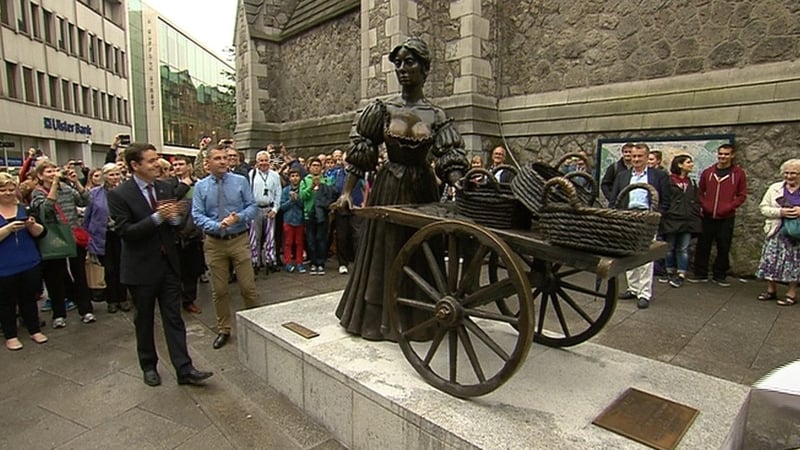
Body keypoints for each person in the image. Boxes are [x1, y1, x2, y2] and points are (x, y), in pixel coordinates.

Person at [335, 37, 468, 340]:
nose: (403, 69)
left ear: (425, 69)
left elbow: (449, 155)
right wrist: (346, 192)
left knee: (420, 252)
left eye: (410, 62)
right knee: (385, 251)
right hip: (389, 187)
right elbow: (363, 150)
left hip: (422, 190)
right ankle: (379, 321)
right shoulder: (383, 109)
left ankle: (418, 317)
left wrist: (457, 180)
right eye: (399, 63)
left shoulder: (436, 114)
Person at [107, 143, 213, 386]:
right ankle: (148, 366)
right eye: (151, 160)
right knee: (144, 320)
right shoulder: (119, 194)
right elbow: (126, 232)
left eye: (157, 159)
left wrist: (175, 216)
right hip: (141, 268)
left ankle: (184, 369)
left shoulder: (164, 187)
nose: (158, 164)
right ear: (135, 165)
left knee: (174, 318)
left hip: (168, 265)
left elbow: (173, 224)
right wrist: (158, 217)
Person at [192, 144, 260, 350]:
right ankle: (224, 329)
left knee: (248, 287)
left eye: (225, 157)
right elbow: (197, 214)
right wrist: (216, 225)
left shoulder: (240, 181)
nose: (223, 161)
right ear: (208, 163)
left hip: (238, 239)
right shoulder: (201, 187)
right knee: (220, 290)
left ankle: (257, 326)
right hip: (214, 243)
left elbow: (253, 207)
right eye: (218, 158)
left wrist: (238, 217)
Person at [30, 160, 94, 327]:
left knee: (80, 274)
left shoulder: (66, 188)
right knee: (55, 278)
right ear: (40, 176)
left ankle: (86, 310)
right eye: (49, 171)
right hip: (54, 238)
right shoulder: (37, 192)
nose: (53, 174)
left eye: (55, 170)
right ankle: (59, 314)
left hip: (73, 236)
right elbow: (46, 210)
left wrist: (76, 182)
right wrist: (54, 185)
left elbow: (86, 201)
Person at [610, 143, 670, 309]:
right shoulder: (622, 176)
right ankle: (633, 288)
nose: (636, 159)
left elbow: (666, 200)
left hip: (647, 217)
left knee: (645, 256)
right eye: (633, 156)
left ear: (646, 157)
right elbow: (614, 198)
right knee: (629, 253)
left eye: (639, 156)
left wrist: (656, 215)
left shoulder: (658, 176)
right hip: (627, 216)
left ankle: (644, 293)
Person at [0, 173, 48, 350]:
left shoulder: (25, 208)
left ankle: (34, 329)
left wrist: (31, 225)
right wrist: (8, 229)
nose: (8, 193)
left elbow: (42, 233)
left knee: (29, 298)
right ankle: (11, 335)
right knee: (6, 302)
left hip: (29, 261)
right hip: (4, 265)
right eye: (3, 190)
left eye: (11, 189)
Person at [689, 144, 747, 286]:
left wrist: (729, 206)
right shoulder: (708, 172)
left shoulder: (738, 174)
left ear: (732, 155)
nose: (723, 157)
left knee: (723, 246)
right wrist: (705, 205)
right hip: (707, 215)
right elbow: (700, 192)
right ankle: (700, 274)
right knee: (703, 245)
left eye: (726, 154)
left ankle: (720, 275)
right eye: (720, 154)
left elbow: (742, 195)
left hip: (726, 216)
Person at [83, 163, 129, 312]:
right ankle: (112, 299)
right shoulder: (95, 193)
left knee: (122, 266)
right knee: (109, 269)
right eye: (111, 174)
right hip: (102, 235)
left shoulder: (125, 191)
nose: (114, 177)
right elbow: (88, 215)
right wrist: (86, 236)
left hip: (121, 234)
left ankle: (123, 298)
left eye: (117, 174)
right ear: (104, 176)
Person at [754, 159, 800, 306]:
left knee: (794, 263)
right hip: (776, 230)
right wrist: (780, 212)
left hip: (797, 234)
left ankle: (791, 293)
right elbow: (763, 208)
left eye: (793, 173)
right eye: (786, 173)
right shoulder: (775, 188)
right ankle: (771, 290)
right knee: (771, 260)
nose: (789, 176)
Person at [658, 155, 702, 288]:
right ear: (680, 165)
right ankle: (669, 270)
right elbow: (664, 198)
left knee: (683, 248)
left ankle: (681, 273)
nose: (691, 164)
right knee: (669, 247)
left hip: (688, 220)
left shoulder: (692, 182)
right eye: (688, 162)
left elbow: (696, 200)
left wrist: (695, 212)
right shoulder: (668, 181)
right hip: (672, 218)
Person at [171, 156, 203, 314]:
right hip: (175, 234)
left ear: (189, 166)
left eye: (181, 164)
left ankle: (189, 300)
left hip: (194, 234)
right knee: (175, 271)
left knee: (192, 271)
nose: (177, 167)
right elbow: (170, 201)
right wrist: (183, 185)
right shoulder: (169, 184)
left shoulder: (198, 184)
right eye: (175, 165)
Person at [248, 150, 282, 274]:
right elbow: (248, 193)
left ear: (269, 161)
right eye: (261, 160)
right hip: (255, 209)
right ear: (257, 162)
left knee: (270, 237)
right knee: (254, 238)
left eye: (266, 160)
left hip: (269, 208)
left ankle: (270, 260)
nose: (263, 163)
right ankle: (255, 261)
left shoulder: (275, 175)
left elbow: (278, 193)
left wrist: (275, 209)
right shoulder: (252, 174)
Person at [300, 157, 336, 275]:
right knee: (310, 240)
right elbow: (302, 196)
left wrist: (322, 187)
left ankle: (320, 263)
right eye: (313, 165)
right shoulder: (305, 180)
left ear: (321, 168)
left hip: (322, 214)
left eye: (318, 165)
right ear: (309, 167)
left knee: (321, 239)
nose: (316, 168)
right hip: (309, 212)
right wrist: (311, 187)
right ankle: (313, 263)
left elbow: (331, 195)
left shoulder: (326, 180)